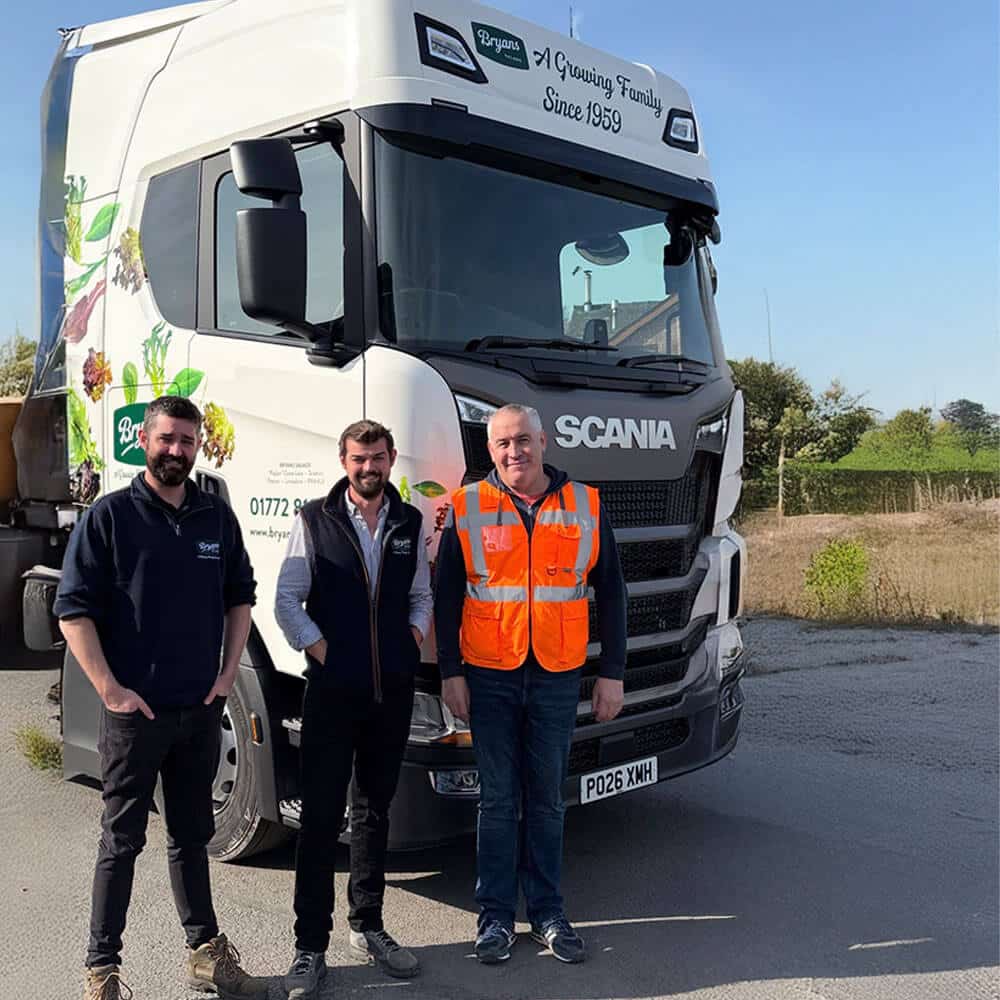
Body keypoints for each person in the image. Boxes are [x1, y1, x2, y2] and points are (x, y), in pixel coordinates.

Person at [54, 396, 264, 1000]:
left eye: (187, 441)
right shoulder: (111, 517)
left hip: (198, 714)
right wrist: (110, 689)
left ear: (198, 446)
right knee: (121, 841)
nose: (176, 450)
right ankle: (102, 970)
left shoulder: (215, 518)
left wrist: (226, 677)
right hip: (135, 717)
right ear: (144, 441)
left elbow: (240, 598)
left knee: (192, 838)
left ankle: (205, 955)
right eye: (166, 438)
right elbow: (73, 611)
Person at [434, 402, 627, 965]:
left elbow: (612, 592)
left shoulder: (585, 505)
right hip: (488, 675)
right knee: (497, 800)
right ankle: (494, 918)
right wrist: (450, 672)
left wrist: (612, 673)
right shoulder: (468, 506)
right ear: (490, 450)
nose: (514, 451)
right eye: (502, 443)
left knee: (546, 800)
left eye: (523, 440)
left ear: (543, 442)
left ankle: (547, 913)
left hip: (557, 675)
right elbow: (446, 597)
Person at [274, 419, 432, 998]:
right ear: (343, 461)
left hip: (390, 694)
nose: (369, 467)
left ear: (392, 459)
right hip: (331, 695)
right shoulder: (315, 520)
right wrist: (325, 653)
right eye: (359, 458)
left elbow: (420, 595)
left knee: (373, 813)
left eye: (378, 457)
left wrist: (410, 641)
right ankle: (309, 947)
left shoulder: (409, 522)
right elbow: (286, 599)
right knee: (320, 819)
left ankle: (367, 926)